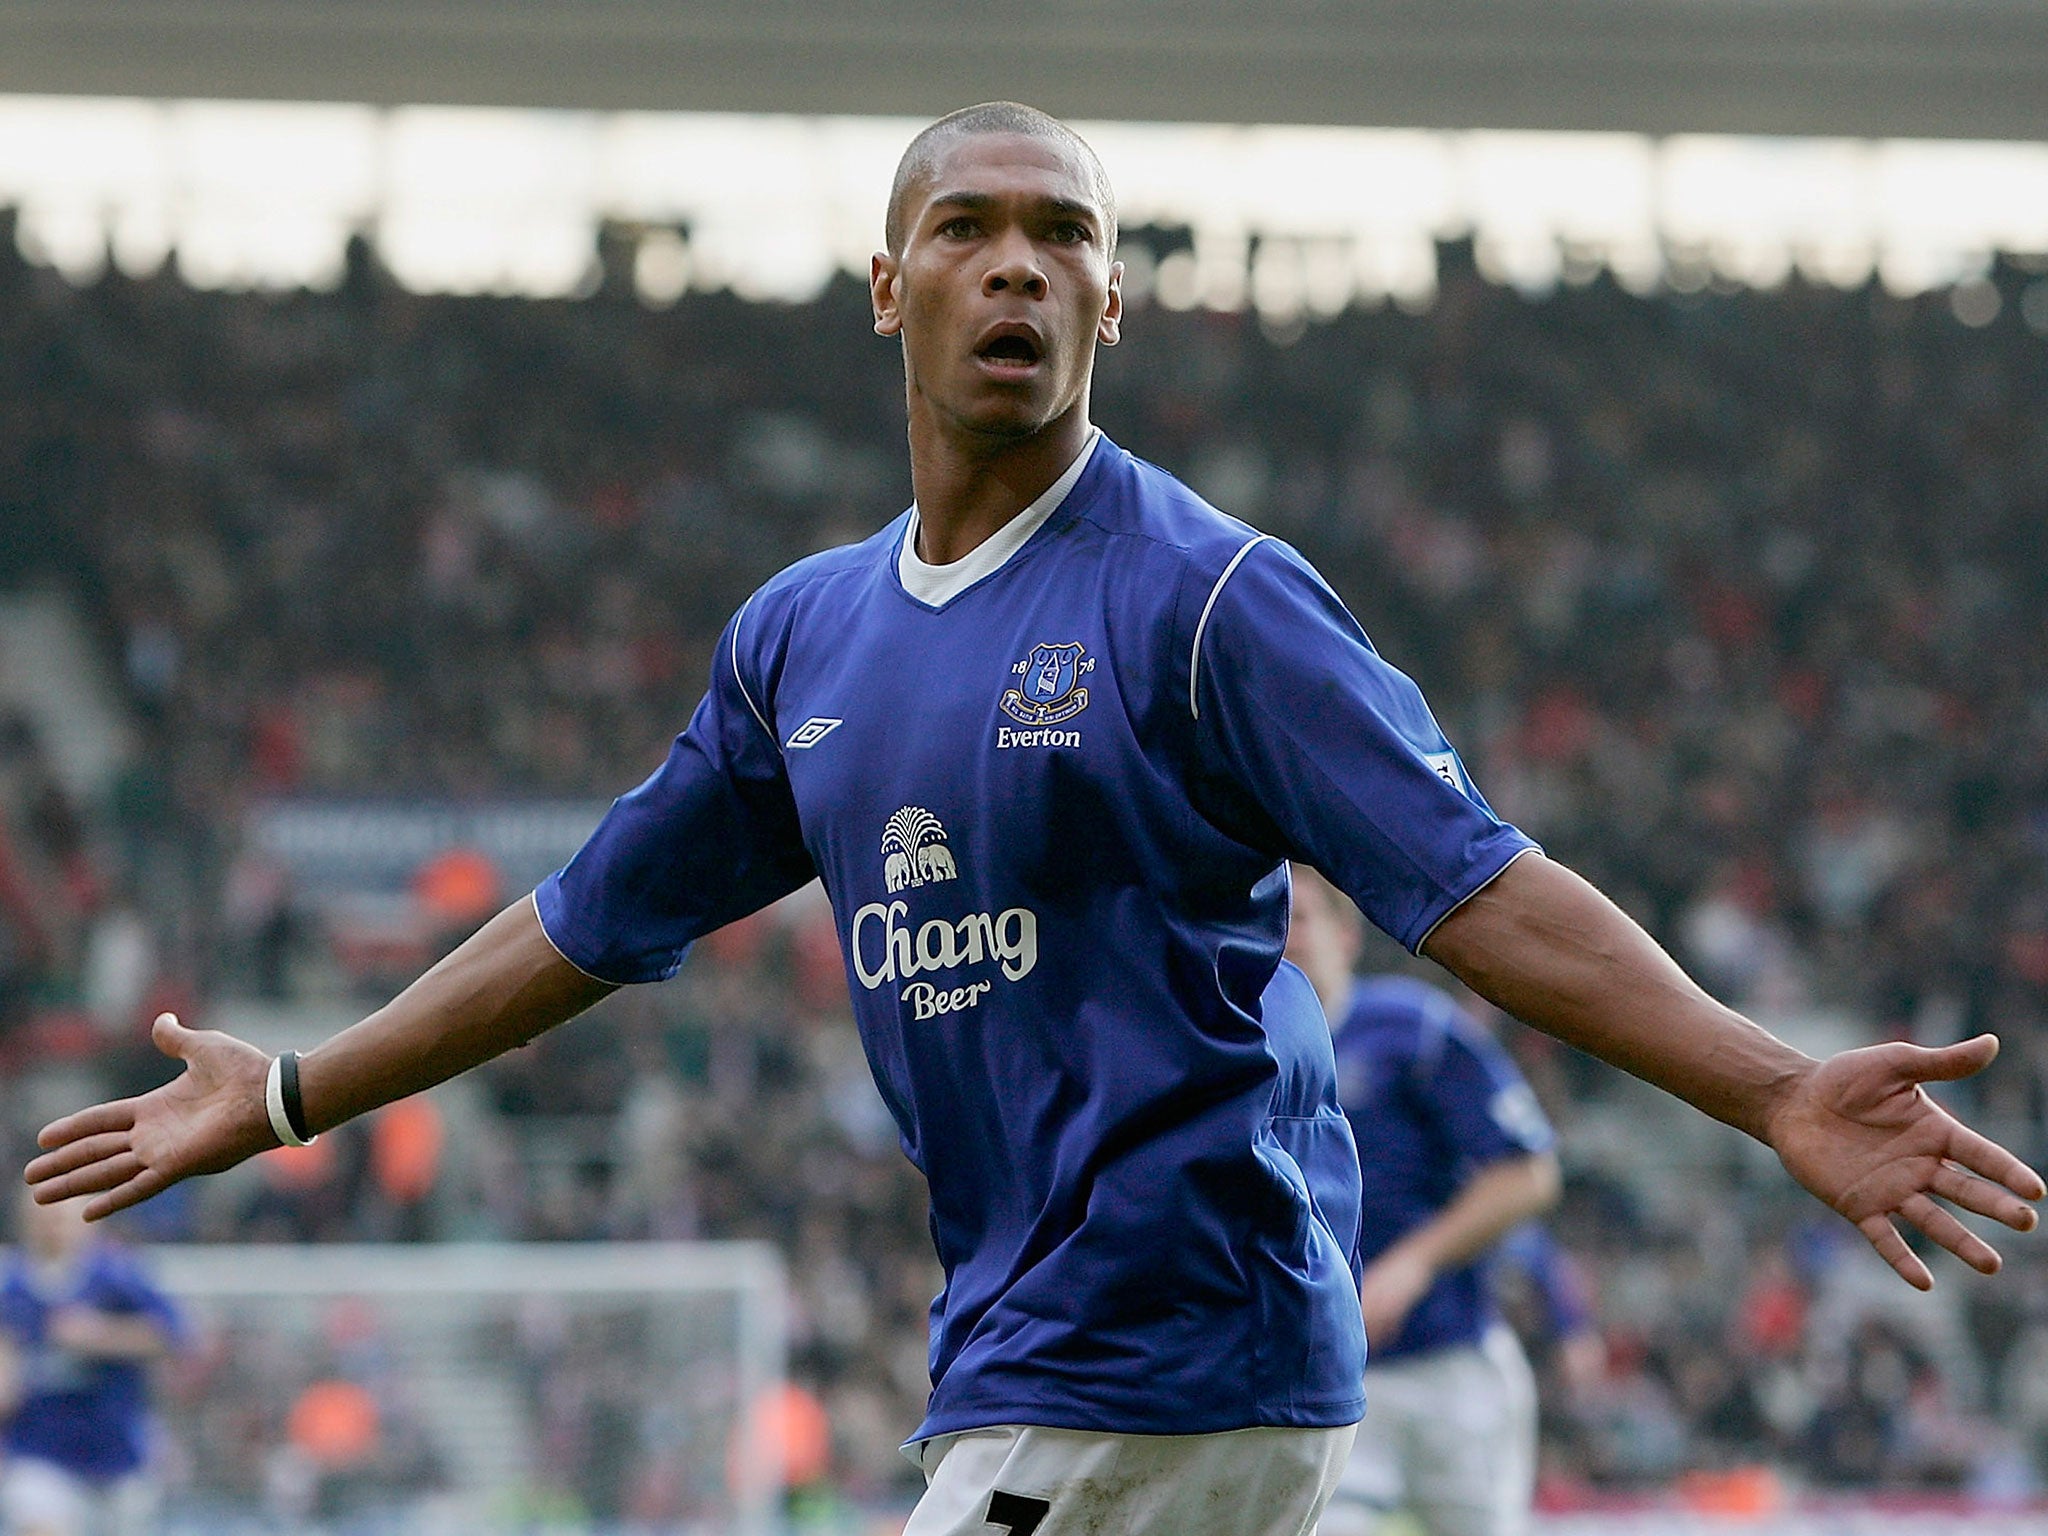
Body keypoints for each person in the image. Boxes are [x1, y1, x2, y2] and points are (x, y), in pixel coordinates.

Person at [22, 102, 2044, 1536]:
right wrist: (297, 1092)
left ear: (1111, 305)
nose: (1020, 261)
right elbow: (586, 921)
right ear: (886, 285)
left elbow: (1470, 883)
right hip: (1048, 1361)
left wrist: (1772, 1087)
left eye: (1064, 232)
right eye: (974, 224)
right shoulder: (797, 640)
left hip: (1163, 1355)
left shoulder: (1210, 601)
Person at [1288, 864, 1559, 1536]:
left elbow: (1527, 1173)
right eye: (1268, 918)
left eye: (1299, 919)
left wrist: (1414, 1261)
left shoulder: (1413, 1028)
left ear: (1346, 934)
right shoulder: (1240, 1052)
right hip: (1328, 1377)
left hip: (1451, 1363)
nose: (1281, 938)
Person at [0, 1190, 182, 1536]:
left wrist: (101, 1337)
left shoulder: (117, 1276)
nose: (51, 1227)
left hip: (117, 1458)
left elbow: (173, 1335)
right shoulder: (11, 1289)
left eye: (59, 1216)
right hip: (41, 1455)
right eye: (42, 1217)